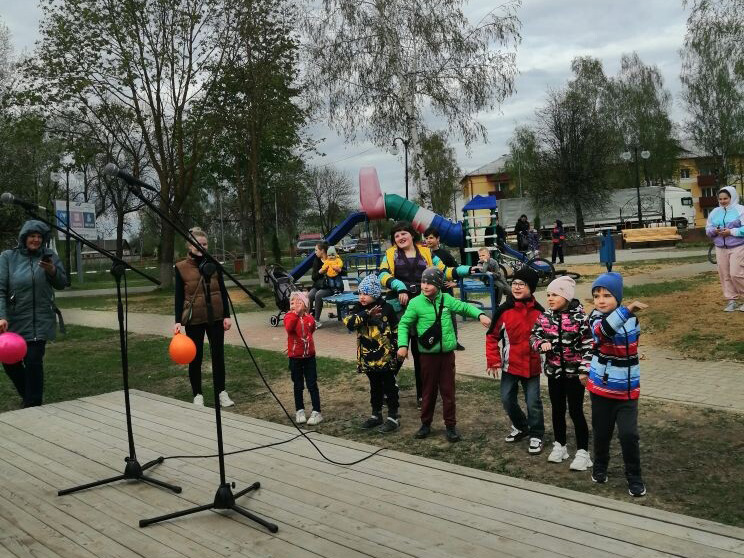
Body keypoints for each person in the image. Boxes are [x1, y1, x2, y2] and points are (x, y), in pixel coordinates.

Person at [379, 221, 471, 407]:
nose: (400, 237)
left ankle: (423, 395)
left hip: (423, 307)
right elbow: (382, 275)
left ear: (412, 235)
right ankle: (386, 389)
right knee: (396, 350)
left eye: (403, 233)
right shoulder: (390, 254)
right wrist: (399, 287)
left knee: (421, 352)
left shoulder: (427, 253)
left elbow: (444, 271)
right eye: (396, 235)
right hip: (399, 308)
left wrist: (468, 269)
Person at [397, 267, 491, 442]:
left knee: (448, 392)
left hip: (446, 355)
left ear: (439, 284)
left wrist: (480, 315)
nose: (425, 286)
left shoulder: (447, 299)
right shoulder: (415, 303)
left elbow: (464, 307)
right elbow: (404, 324)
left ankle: (450, 426)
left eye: (430, 283)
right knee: (428, 391)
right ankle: (425, 424)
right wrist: (402, 345)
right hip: (427, 356)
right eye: (423, 282)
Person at [587, 272, 648, 497]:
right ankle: (600, 466)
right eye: (596, 296)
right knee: (602, 433)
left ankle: (634, 477)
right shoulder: (595, 319)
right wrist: (627, 310)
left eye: (607, 295)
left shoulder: (632, 320)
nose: (601, 301)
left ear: (617, 297)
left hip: (628, 391)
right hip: (602, 390)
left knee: (629, 435)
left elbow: (634, 342)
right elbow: (604, 332)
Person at [0, 220, 67, 407]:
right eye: (32, 236)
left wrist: (52, 270)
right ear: (24, 237)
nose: (36, 240)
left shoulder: (49, 256)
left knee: (33, 360)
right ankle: (30, 397)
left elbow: (62, 283)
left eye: (39, 237)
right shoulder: (8, 257)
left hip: (40, 320)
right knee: (9, 361)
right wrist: (1, 316)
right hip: (14, 321)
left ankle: (32, 403)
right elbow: (0, 290)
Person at [530, 276, 593, 470]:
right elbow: (533, 336)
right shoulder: (545, 317)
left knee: (575, 411)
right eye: (548, 294)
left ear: (566, 296)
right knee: (557, 410)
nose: (550, 298)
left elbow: (589, 345)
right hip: (554, 373)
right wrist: (540, 343)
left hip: (575, 376)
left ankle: (583, 452)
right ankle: (560, 446)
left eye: (555, 294)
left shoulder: (580, 318)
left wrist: (584, 370)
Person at [485, 267, 545, 455]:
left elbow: (547, 337)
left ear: (531, 288)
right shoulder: (504, 310)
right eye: (514, 283)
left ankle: (536, 434)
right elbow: (491, 336)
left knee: (533, 402)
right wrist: (493, 360)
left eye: (522, 284)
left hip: (532, 366)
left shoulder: (540, 312)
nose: (517, 287)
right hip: (510, 365)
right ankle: (521, 426)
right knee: (507, 399)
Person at [173, 227, 234, 408]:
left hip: (215, 317)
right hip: (195, 320)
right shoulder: (181, 268)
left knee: (218, 356)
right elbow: (178, 296)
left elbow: (222, 290)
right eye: (198, 244)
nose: (202, 247)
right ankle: (197, 394)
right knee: (195, 357)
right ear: (189, 246)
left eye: (205, 244)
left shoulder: (214, 264)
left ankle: (221, 392)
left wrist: (227, 315)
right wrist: (177, 320)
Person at [343, 274, 401, 433]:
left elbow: (396, 329)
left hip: (386, 357)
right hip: (368, 358)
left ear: (375, 293)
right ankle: (376, 415)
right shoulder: (359, 309)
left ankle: (393, 417)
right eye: (360, 293)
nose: (361, 297)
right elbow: (349, 323)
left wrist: (397, 348)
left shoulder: (387, 308)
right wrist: (367, 314)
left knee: (389, 386)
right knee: (375, 387)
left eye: (365, 293)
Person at [284, 291, 323, 426]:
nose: (295, 305)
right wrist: (296, 314)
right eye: (292, 302)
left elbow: (311, 329)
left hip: (309, 357)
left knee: (312, 384)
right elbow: (289, 329)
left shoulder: (309, 318)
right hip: (295, 358)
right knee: (298, 384)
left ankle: (316, 411)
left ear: (306, 305)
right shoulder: (289, 316)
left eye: (299, 302)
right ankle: (299, 410)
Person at [424, 226, 465, 350]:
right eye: (426, 238)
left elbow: (457, 269)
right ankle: (433, 341)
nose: (428, 240)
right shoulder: (423, 254)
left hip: (445, 291)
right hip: (429, 292)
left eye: (431, 238)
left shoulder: (445, 254)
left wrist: (455, 282)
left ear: (438, 239)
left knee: (450, 316)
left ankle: (455, 341)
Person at [705, 186, 744, 312]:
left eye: (725, 198)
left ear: (732, 197)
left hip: (738, 247)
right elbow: (708, 229)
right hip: (720, 248)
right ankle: (731, 300)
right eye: (720, 199)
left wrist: (731, 232)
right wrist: (714, 231)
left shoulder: (741, 210)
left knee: (736, 274)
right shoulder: (715, 212)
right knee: (724, 275)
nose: (722, 201)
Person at [307, 241, 334, 327]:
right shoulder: (317, 260)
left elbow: (343, 271)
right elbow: (313, 277)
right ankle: (308, 319)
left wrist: (335, 270)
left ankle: (316, 320)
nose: (315, 252)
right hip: (319, 285)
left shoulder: (332, 258)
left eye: (316, 250)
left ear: (322, 250)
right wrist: (320, 272)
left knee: (318, 295)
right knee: (310, 295)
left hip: (330, 286)